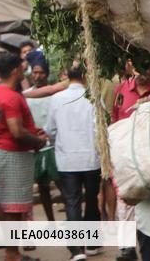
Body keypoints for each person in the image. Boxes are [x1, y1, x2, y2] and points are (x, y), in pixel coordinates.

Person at [0, 52, 47, 261]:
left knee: (13, 206)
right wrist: (38, 141)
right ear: (15, 70)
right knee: (13, 207)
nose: (26, 69)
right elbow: (16, 131)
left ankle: (13, 252)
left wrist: (32, 132)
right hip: (12, 153)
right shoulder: (9, 95)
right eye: (22, 66)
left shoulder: (1, 91)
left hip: (10, 152)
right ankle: (12, 253)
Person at [44, 61, 102, 261]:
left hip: (67, 159)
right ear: (85, 76)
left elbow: (49, 130)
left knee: (72, 201)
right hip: (91, 158)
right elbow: (99, 128)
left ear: (68, 76)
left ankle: (76, 249)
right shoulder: (93, 97)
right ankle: (93, 243)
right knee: (92, 199)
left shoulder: (56, 99)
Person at [112, 62, 150, 261]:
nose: (141, 72)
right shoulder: (121, 90)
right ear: (130, 67)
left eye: (146, 67)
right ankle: (126, 247)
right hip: (128, 155)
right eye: (137, 67)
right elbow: (114, 121)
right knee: (125, 198)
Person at [23, 52, 58, 223]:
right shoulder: (26, 94)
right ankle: (51, 222)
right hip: (35, 145)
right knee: (43, 187)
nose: (37, 76)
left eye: (41, 72)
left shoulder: (55, 93)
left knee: (61, 184)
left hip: (54, 145)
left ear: (47, 73)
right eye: (35, 72)